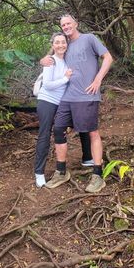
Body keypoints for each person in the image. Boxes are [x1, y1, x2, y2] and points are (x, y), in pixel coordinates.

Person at [42, 14, 113, 193]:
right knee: (58, 129)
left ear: (76, 24)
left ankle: (97, 175)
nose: (66, 26)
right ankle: (61, 172)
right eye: (63, 25)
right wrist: (42, 60)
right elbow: (51, 56)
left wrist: (98, 80)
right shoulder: (65, 45)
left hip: (87, 95)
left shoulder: (88, 39)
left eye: (68, 23)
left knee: (92, 132)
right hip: (68, 96)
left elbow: (108, 58)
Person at [34, 32, 93, 188]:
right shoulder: (51, 61)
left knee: (82, 123)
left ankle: (88, 158)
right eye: (57, 42)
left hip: (63, 102)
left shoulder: (68, 60)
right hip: (47, 101)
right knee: (45, 134)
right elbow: (47, 85)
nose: (60, 45)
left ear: (67, 44)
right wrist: (65, 78)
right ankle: (39, 172)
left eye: (63, 42)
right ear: (52, 45)